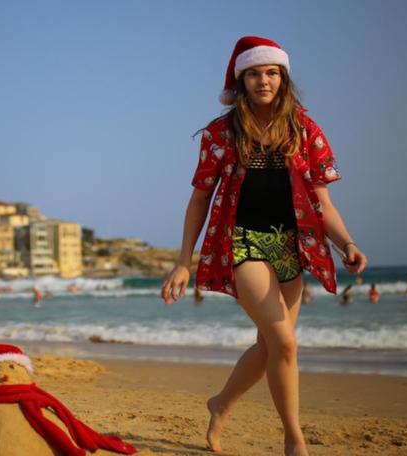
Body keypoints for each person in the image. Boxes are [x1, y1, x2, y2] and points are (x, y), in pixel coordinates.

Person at [160, 36, 367, 455]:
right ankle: (295, 438)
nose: (263, 80)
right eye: (254, 73)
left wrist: (347, 243)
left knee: (271, 343)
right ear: (242, 81)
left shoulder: (305, 129)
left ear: (283, 78)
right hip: (241, 242)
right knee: (286, 343)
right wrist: (184, 261)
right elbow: (200, 197)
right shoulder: (222, 132)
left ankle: (220, 404)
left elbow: (322, 202)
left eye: (271, 72)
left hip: (293, 245)